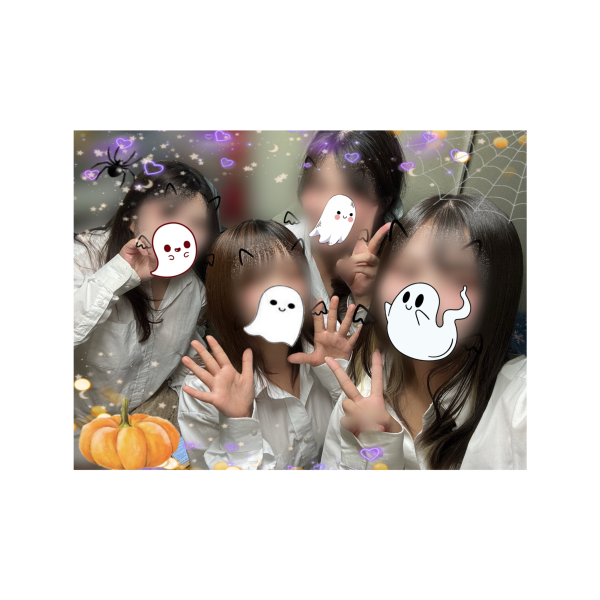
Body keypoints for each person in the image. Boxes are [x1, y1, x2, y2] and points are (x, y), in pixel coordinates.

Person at [321, 194, 527, 470]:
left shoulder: (520, 404)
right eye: (406, 270)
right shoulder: (360, 392)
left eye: (455, 277)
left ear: (496, 300)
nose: (419, 291)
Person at [178, 220, 359, 469]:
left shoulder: (331, 348)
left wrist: (340, 377)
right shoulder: (204, 393)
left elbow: (365, 450)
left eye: (292, 274)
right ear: (226, 297)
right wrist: (239, 424)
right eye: (256, 279)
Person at [73, 161, 221, 424]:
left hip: (146, 420)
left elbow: (185, 358)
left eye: (196, 223)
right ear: (132, 219)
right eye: (168, 212)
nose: (180, 231)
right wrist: (119, 274)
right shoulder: (82, 257)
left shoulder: (195, 289)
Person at [285, 130, 406, 322]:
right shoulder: (277, 252)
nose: (327, 207)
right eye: (318, 185)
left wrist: (365, 300)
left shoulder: (402, 266)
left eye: (350, 191)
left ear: (384, 202)